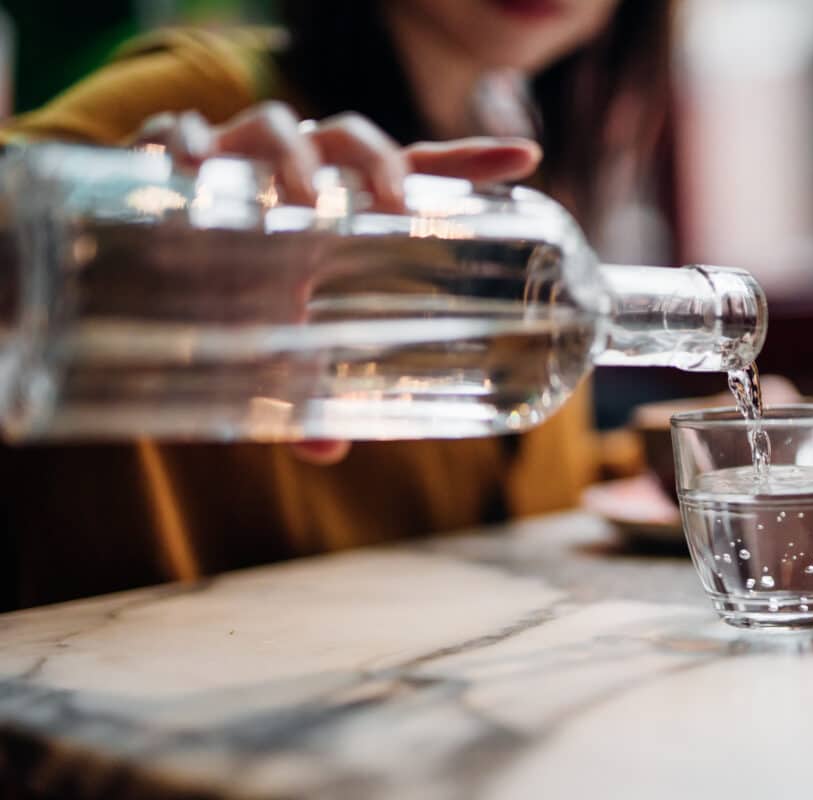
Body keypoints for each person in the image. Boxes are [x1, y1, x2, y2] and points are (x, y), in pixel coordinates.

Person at [0, 0, 675, 610]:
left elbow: (485, 490)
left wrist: (668, 455)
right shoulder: (216, 114)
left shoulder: (515, 169)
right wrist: (85, 250)